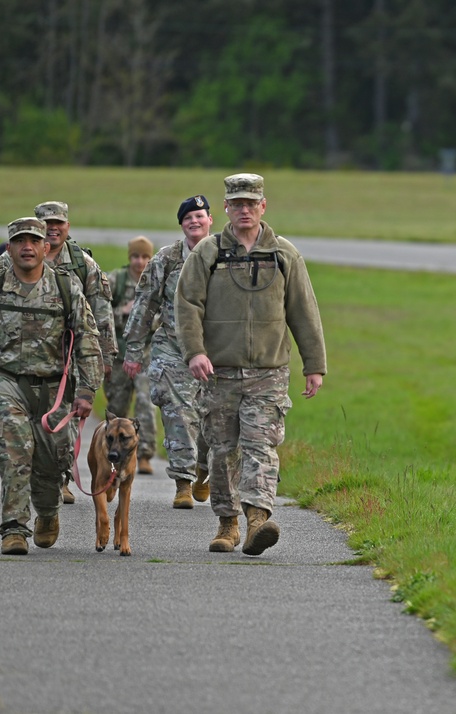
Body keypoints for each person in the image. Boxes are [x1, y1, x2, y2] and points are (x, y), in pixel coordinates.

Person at [175, 174, 327, 556]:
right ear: (225, 208)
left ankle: (257, 519)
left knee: (261, 446)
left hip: (268, 372)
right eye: (237, 204)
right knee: (223, 451)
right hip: (219, 372)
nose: (244, 210)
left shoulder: (284, 254)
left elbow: (304, 311)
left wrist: (314, 365)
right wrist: (195, 351)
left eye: (251, 203)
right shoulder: (207, 254)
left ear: (263, 206)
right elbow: (187, 305)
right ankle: (227, 523)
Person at [0, 217, 103, 555]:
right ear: (10, 247)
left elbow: (88, 340)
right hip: (6, 384)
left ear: (46, 247)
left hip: (53, 391)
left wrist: (87, 390)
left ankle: (47, 512)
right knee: (14, 453)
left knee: (51, 460)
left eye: (34, 241)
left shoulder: (65, 288)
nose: (28, 247)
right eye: (20, 241)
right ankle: (14, 529)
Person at [122, 197, 212, 510]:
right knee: (179, 413)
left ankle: (205, 468)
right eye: (188, 217)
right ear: (181, 224)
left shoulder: (226, 255)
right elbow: (144, 304)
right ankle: (183, 483)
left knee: (214, 417)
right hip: (173, 348)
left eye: (200, 216)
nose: (194, 222)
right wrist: (133, 349)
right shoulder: (167, 259)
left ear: (210, 220)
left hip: (217, 350)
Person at [34, 201, 117, 505]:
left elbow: (103, 312)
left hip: (73, 356)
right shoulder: (21, 256)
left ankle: (61, 479)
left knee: (65, 421)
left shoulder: (83, 264)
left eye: (58, 223)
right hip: (29, 356)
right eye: (46, 223)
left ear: (67, 226)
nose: (52, 228)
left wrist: (105, 357)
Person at [105, 236, 158, 475]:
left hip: (147, 355)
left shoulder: (156, 280)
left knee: (146, 404)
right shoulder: (116, 280)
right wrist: (122, 311)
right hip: (119, 356)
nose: (140, 261)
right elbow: (100, 314)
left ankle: (144, 454)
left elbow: (167, 315)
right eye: (136, 256)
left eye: (146, 257)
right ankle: (114, 453)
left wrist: (147, 319)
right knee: (117, 407)